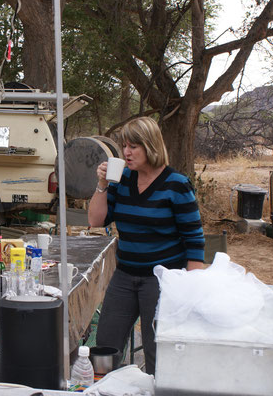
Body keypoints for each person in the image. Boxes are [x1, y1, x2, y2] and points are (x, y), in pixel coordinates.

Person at [88, 116, 205, 374]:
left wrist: (191, 291)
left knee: (158, 352)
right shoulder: (123, 180)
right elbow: (96, 220)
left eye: (133, 147)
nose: (126, 153)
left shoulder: (176, 184)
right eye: (124, 147)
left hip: (163, 279)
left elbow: (194, 239)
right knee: (105, 345)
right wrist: (102, 185)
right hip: (125, 275)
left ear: (151, 146)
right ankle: (103, 389)